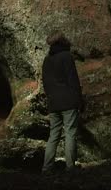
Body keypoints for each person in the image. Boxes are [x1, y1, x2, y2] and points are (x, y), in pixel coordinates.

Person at [41, 31, 83, 174]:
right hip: (68, 101)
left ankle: (46, 168)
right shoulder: (66, 57)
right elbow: (73, 80)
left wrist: (51, 98)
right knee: (70, 133)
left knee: (53, 135)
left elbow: (45, 84)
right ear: (63, 42)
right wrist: (79, 100)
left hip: (53, 103)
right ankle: (70, 168)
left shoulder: (47, 60)